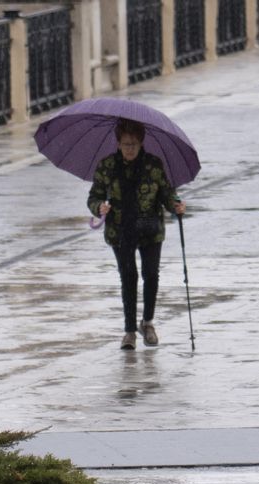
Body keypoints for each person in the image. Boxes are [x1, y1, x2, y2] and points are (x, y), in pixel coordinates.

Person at [87, 118, 186, 350]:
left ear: (141, 143)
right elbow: (93, 197)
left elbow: (166, 194)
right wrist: (99, 207)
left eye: (133, 144)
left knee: (151, 274)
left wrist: (176, 206)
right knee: (128, 276)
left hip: (150, 229)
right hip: (120, 230)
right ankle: (129, 330)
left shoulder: (153, 165)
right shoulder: (107, 166)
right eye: (125, 144)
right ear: (118, 143)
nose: (129, 149)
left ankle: (147, 323)